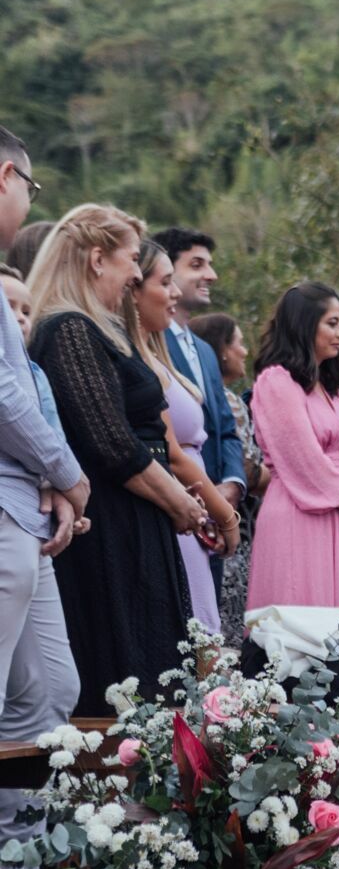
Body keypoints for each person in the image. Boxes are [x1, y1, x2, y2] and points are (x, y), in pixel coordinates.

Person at [27, 204, 202, 715]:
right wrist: (182, 504)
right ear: (97, 259)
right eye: (131, 259)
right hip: (113, 523)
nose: (135, 274)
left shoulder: (97, 327)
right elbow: (112, 444)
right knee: (131, 671)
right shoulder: (69, 330)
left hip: (137, 516)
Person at [0, 131, 86, 869]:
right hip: (4, 509)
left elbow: (25, 396)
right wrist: (68, 473)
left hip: (27, 509)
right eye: (30, 186)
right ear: (8, 176)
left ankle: (22, 864)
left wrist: (54, 481)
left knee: (52, 687)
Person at [247, 282, 339, 612]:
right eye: (332, 323)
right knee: (304, 625)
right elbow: (307, 462)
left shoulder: (329, 388)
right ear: (305, 325)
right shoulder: (276, 381)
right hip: (301, 512)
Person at [126, 240, 239, 634]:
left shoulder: (161, 355)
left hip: (196, 504)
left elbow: (221, 428)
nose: (175, 292)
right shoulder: (135, 363)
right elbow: (171, 452)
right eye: (167, 281)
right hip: (178, 503)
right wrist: (223, 514)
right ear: (133, 289)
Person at [154, 229, 246, 568]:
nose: (211, 275)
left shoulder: (206, 351)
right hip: (180, 509)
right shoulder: (150, 345)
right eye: (197, 265)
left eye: (209, 265)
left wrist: (233, 484)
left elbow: (225, 428)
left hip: (220, 511)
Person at [191, 312, 269, 644]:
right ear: (220, 350)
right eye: (238, 342)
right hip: (232, 523)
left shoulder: (229, 398)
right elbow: (248, 468)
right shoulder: (228, 402)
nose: (244, 351)